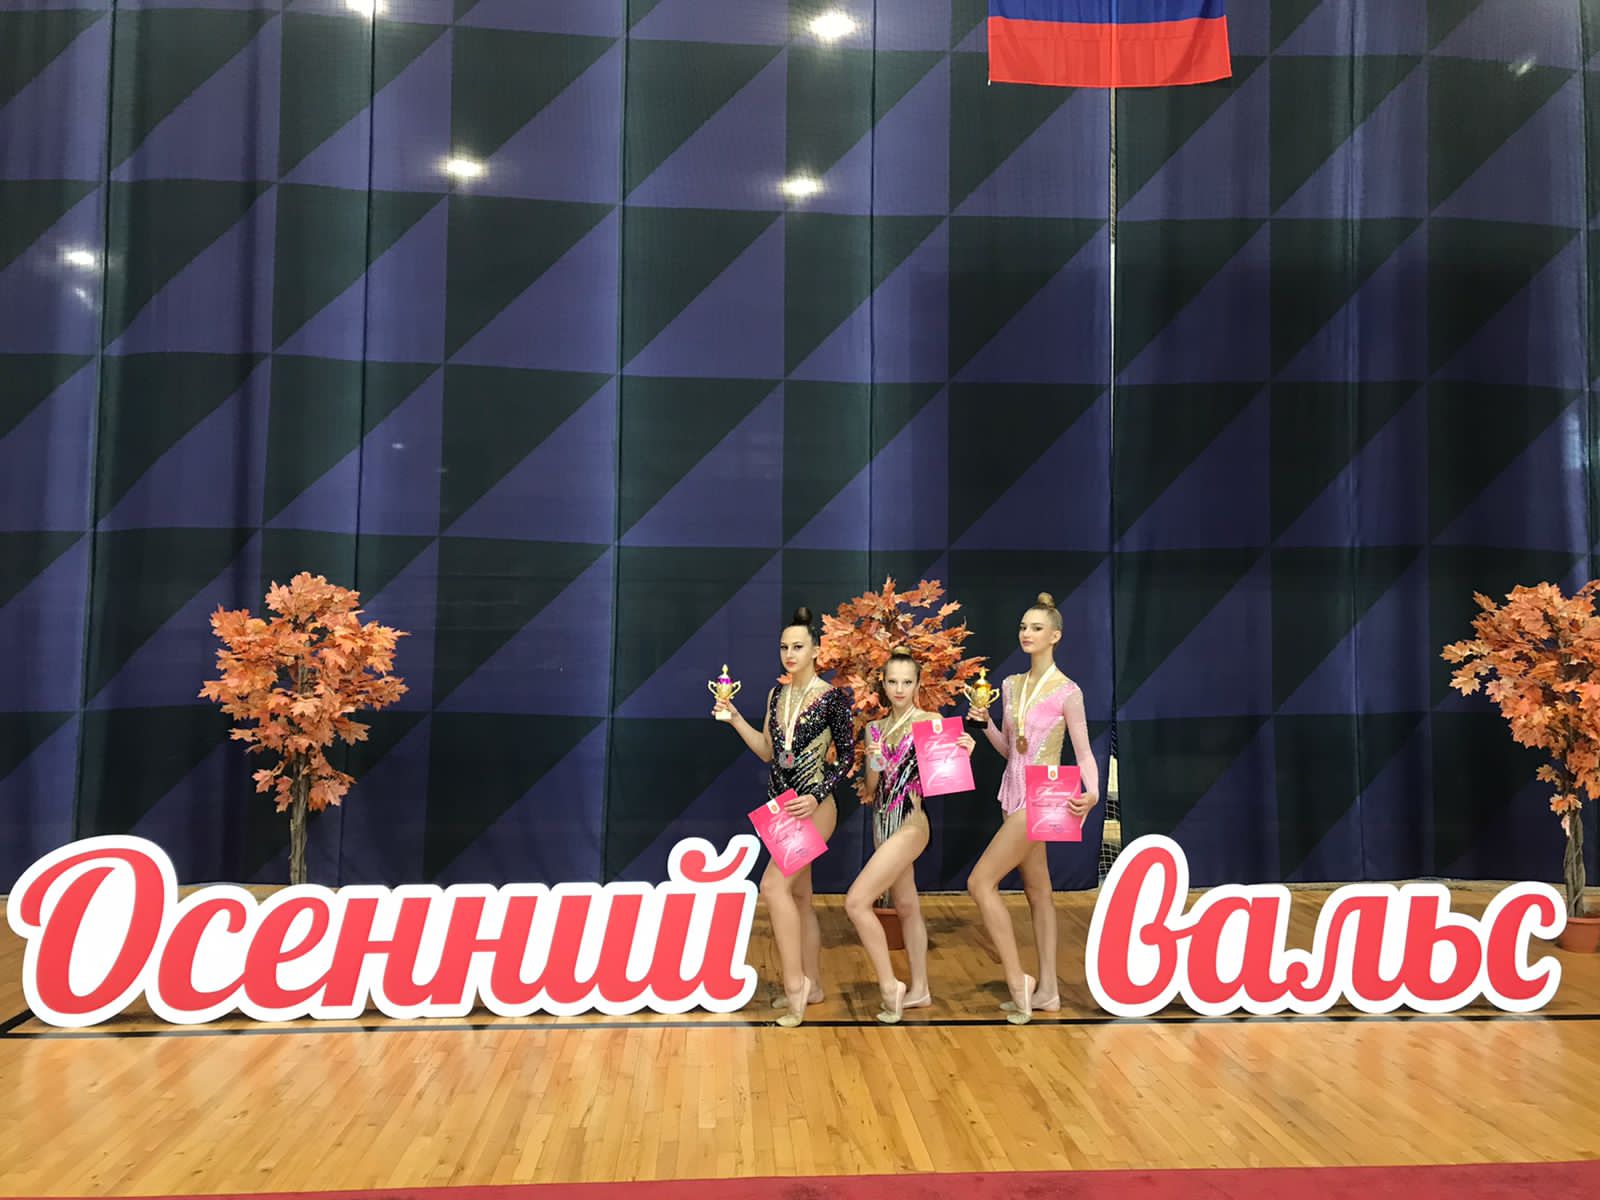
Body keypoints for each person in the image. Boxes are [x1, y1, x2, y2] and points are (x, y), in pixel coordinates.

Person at [714, 606, 855, 1026]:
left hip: (814, 808)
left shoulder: (831, 699)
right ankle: (814, 985)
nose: (790, 654)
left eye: (798, 647)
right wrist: (734, 718)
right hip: (780, 809)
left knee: (773, 886)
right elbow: (768, 752)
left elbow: (848, 757)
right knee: (800, 898)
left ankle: (795, 988)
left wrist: (817, 795)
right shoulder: (777, 696)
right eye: (784, 647)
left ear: (816, 651)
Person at [966, 592, 1099, 1024]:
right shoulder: (1009, 686)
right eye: (1024, 627)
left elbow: (1083, 752)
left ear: (1055, 636)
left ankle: (1018, 980)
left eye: (1036, 628)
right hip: (1012, 792)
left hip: (1043, 799)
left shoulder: (1068, 692)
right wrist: (986, 724)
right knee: (1038, 893)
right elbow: (1012, 750)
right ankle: (1049, 991)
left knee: (980, 882)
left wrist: (1093, 792)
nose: (1027, 633)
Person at [843, 648, 975, 1022]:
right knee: (906, 905)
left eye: (906, 682)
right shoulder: (874, 728)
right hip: (881, 823)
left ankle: (891, 986)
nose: (899, 689)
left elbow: (946, 776)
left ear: (918, 685)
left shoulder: (930, 721)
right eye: (892, 681)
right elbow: (871, 789)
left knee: (856, 902)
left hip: (912, 822)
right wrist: (874, 759)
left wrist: (964, 752)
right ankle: (921, 989)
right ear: (883, 685)